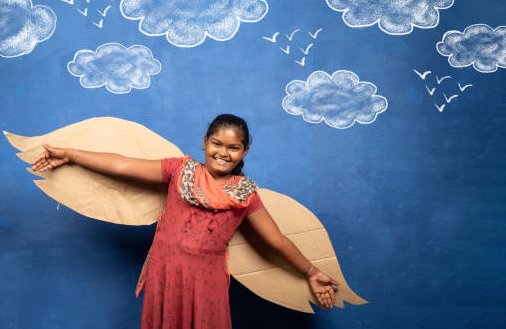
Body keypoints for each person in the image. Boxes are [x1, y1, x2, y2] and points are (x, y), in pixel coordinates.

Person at [31, 114, 340, 328]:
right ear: (205, 141)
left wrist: (311, 272)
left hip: (206, 282)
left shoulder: (245, 194)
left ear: (244, 151)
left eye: (233, 148)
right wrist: (71, 154)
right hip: (167, 275)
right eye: (217, 143)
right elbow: (122, 165)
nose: (223, 152)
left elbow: (276, 240)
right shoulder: (179, 170)